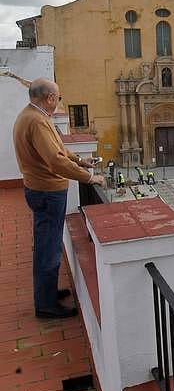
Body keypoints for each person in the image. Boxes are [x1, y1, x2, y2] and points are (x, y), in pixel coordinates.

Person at [13, 79, 105, 319]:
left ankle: (47, 294)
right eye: (59, 97)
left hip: (40, 189)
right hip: (47, 191)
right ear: (51, 98)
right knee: (49, 247)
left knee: (47, 244)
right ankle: (46, 304)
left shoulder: (33, 116)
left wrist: (80, 161)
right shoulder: (37, 122)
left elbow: (59, 150)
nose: (59, 102)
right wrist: (89, 178)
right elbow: (55, 161)